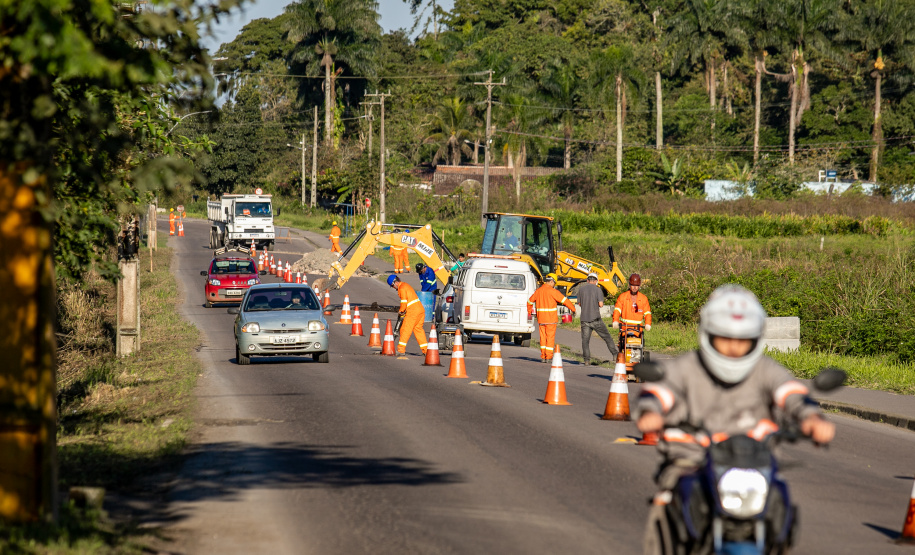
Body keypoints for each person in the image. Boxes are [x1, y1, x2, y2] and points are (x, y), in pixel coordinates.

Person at [635, 284, 835, 491]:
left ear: (755, 340)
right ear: (709, 335)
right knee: (677, 490)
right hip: (692, 460)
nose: (733, 348)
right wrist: (650, 411)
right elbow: (662, 389)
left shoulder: (765, 368)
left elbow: (790, 392)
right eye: (725, 339)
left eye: (742, 341)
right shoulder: (688, 366)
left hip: (754, 462)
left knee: (780, 497)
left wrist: (812, 418)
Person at [528, 273, 576, 363]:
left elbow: (529, 301)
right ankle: (548, 357)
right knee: (550, 338)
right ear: (551, 281)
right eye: (554, 283)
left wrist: (530, 312)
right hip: (551, 319)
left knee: (543, 338)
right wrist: (573, 309)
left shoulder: (538, 291)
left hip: (541, 319)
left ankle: (543, 356)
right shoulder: (553, 291)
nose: (554, 285)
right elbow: (565, 301)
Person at [578, 273, 619, 365]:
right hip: (596, 319)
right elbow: (600, 304)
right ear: (596, 281)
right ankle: (615, 355)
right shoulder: (598, 290)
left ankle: (586, 360)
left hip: (584, 320)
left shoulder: (581, 290)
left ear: (587, 280)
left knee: (585, 341)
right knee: (607, 337)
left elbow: (580, 304)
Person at [388, 275, 427, 356]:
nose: (394, 288)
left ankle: (401, 350)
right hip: (420, 310)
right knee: (418, 330)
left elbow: (404, 302)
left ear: (394, 283)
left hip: (413, 311)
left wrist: (401, 311)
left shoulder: (401, 288)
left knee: (405, 330)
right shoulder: (405, 285)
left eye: (392, 286)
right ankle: (426, 351)